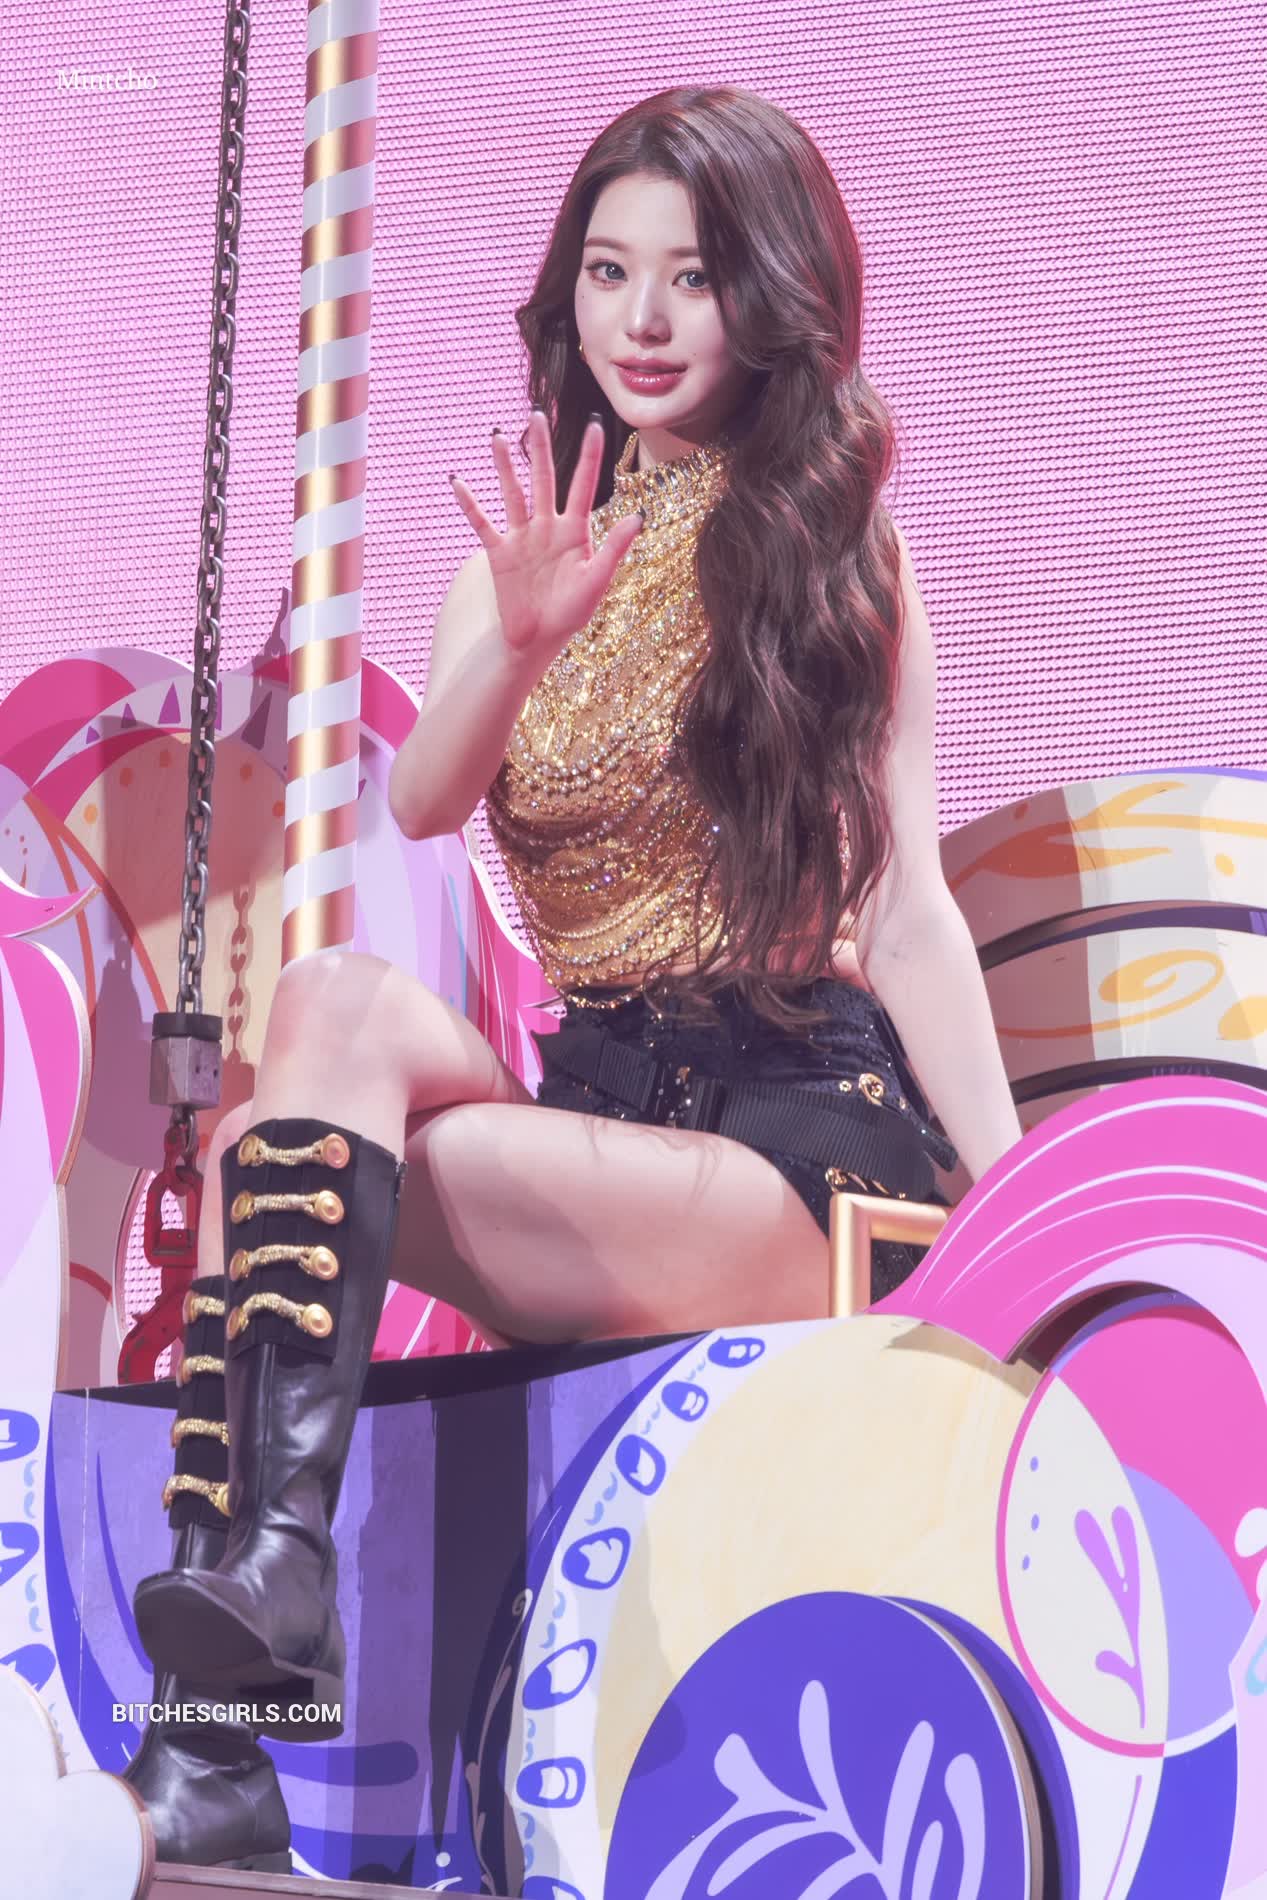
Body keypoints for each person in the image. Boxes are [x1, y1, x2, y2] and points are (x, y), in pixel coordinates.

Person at [126, 85, 1021, 1869]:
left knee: (274, 1166)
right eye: (610, 272)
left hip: (789, 1140)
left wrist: (1017, 1207)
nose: (646, 317)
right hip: (598, 1098)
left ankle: (226, 1711)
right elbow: (420, 799)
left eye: (693, 275)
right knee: (326, 1016)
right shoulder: (532, 554)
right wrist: (524, 639)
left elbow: (909, 906)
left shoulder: (832, 544)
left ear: (770, 296)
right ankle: (255, 1642)